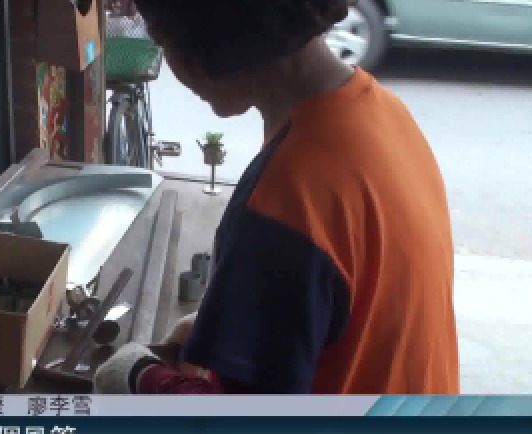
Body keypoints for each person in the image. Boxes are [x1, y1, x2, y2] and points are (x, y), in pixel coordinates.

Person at [93, 0, 460, 395]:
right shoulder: (384, 115)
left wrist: (140, 375)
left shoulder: (287, 201)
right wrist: (233, 326)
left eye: (164, 40)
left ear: (209, 39)